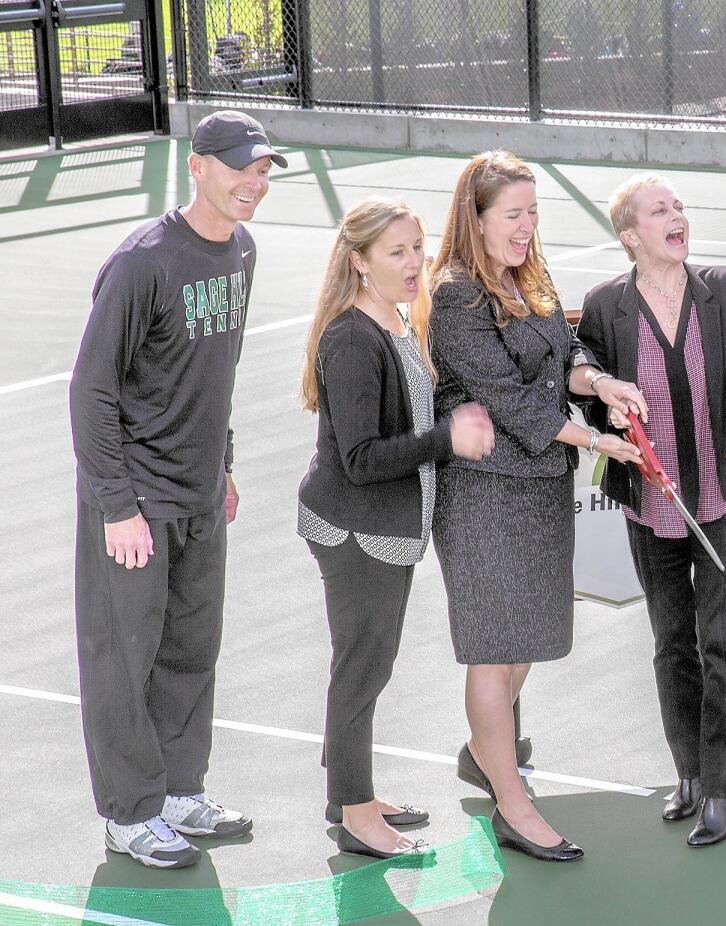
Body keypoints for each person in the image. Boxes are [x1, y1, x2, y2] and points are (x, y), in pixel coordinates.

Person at [68, 110, 286, 869]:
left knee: (191, 648)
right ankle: (129, 813)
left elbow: (212, 374)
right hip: (135, 500)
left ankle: (178, 791)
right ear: (198, 168)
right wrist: (118, 505)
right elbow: (92, 392)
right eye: (238, 168)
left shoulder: (243, 252)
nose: (252, 183)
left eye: (261, 170)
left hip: (199, 494)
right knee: (124, 658)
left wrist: (220, 462)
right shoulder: (142, 264)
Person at [428, 151, 646, 863]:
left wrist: (595, 379)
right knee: (495, 652)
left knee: (521, 643)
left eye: (532, 212)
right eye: (513, 214)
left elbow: (565, 342)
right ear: (477, 218)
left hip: (540, 485)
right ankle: (512, 804)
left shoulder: (527, 272)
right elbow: (509, 398)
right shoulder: (459, 295)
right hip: (486, 495)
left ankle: (481, 753)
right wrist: (598, 441)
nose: (526, 227)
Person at [577, 175, 726, 847]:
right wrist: (602, 393)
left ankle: (722, 788)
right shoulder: (604, 305)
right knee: (671, 642)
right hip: (651, 502)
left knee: (724, 643)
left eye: (677, 207)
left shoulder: (724, 286)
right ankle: (688, 773)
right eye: (659, 211)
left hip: (724, 494)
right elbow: (586, 373)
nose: (677, 216)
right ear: (630, 236)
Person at [296, 198, 495, 859]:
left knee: (364, 666)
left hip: (386, 530)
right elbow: (360, 461)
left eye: (418, 247)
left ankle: (348, 792)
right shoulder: (353, 339)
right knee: (362, 669)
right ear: (359, 261)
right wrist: (447, 439)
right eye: (397, 252)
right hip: (357, 532)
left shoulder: (397, 318)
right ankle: (357, 814)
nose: (415, 263)